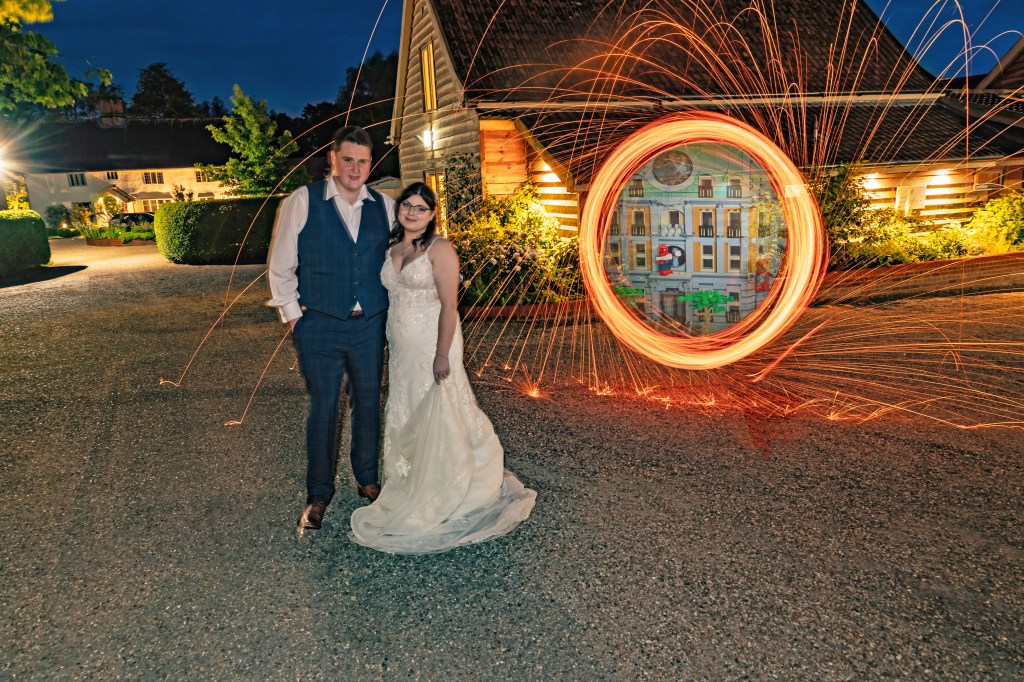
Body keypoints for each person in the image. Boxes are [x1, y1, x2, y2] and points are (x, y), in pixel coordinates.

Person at [350, 182, 536, 554]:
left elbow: (450, 306)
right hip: (401, 348)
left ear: (432, 214)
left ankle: (446, 484)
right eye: (407, 205)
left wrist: (441, 354)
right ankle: (410, 479)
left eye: (421, 207)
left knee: (438, 407)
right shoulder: (392, 248)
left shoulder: (440, 249)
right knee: (406, 405)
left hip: (434, 343)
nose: (412, 212)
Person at [266, 126, 395, 533]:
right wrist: (295, 319)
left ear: (370, 164)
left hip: (370, 323)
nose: (355, 168)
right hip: (318, 323)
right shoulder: (303, 200)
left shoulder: (386, 206)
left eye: (363, 161)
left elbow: (404, 258)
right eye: (348, 160)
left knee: (368, 403)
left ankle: (367, 479)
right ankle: (318, 494)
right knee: (324, 407)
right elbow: (281, 266)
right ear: (333, 160)